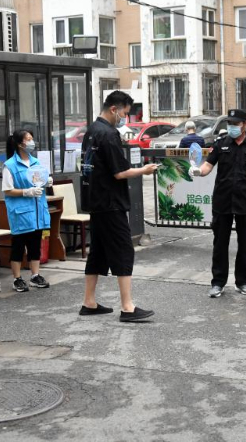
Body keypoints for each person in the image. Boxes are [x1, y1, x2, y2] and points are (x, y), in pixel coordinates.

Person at [79, 90, 160, 323]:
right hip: (110, 202)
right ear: (114, 109)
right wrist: (145, 170)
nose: (125, 118)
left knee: (98, 252)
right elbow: (120, 172)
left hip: (95, 201)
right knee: (123, 250)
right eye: (124, 113)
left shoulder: (92, 131)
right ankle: (127, 307)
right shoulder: (108, 134)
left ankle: (89, 302)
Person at [189, 109, 246, 298]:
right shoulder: (220, 144)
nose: (232, 127)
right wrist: (199, 171)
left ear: (245, 125)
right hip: (222, 201)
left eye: (236, 124)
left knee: (245, 244)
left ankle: (243, 282)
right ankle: (218, 283)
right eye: (230, 123)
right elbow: (208, 165)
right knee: (220, 244)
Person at [2, 129, 51, 292]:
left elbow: (37, 180)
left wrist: (46, 181)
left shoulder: (36, 162)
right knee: (18, 245)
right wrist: (26, 192)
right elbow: (7, 190)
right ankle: (17, 279)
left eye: (32, 138)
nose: (31, 142)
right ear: (19, 144)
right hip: (21, 213)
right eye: (28, 139)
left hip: (37, 211)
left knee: (35, 244)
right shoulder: (10, 165)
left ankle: (35, 276)